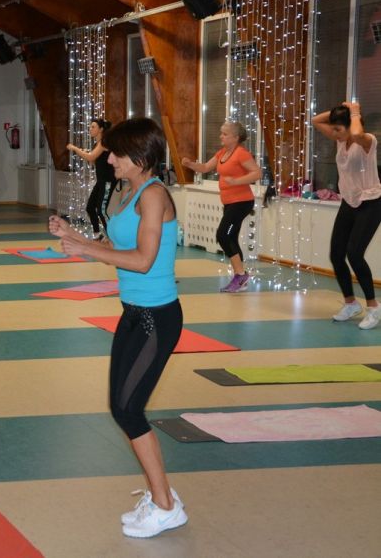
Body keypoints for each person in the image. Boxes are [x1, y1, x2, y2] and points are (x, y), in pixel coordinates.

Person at [49, 118, 187, 539]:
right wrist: (78, 239)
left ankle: (166, 505)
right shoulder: (127, 192)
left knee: (129, 410)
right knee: (121, 406)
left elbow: (143, 260)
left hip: (157, 317)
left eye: (116, 153)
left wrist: (87, 249)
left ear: (140, 156)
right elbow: (118, 248)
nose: (109, 160)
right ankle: (163, 498)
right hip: (133, 313)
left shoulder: (155, 195)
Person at [313, 101, 381, 330]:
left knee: (355, 254)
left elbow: (357, 133)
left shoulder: (367, 140)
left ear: (350, 125)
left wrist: (354, 111)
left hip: (371, 203)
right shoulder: (341, 140)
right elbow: (316, 120)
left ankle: (373, 307)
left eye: (337, 128)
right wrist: (339, 108)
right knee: (336, 255)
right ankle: (351, 303)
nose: (333, 133)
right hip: (349, 202)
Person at [182, 121, 262, 292]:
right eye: (221, 133)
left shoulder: (241, 154)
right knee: (230, 237)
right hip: (229, 202)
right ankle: (240, 279)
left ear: (236, 137)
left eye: (225, 134)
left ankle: (241, 275)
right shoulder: (222, 153)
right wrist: (190, 164)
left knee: (223, 235)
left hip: (242, 202)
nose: (221, 137)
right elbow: (205, 168)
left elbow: (257, 173)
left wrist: (237, 181)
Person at [66, 119, 117, 240]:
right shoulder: (98, 144)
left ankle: (113, 237)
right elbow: (94, 159)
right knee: (90, 207)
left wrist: (75, 149)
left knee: (101, 210)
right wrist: (86, 154)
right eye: (90, 127)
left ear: (101, 129)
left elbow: (90, 157)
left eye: (93, 127)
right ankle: (97, 234)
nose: (90, 129)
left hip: (108, 181)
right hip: (101, 181)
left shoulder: (104, 142)